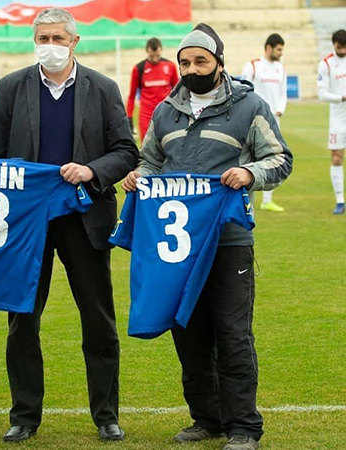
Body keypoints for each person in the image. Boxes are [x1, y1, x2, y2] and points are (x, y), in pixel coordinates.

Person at [122, 23, 292, 450]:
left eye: (201, 60)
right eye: (185, 62)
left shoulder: (250, 106)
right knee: (188, 332)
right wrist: (138, 177)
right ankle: (207, 418)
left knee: (233, 334)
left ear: (219, 61)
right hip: (178, 247)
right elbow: (150, 161)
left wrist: (249, 173)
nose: (192, 68)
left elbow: (280, 159)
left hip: (229, 240)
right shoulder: (166, 111)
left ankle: (244, 426)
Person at [0, 8, 138, 443]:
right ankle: (24, 416)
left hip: (84, 220)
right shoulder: (10, 87)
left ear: (74, 42)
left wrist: (91, 170)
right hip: (26, 224)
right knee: (22, 322)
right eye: (43, 38)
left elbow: (126, 151)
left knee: (98, 320)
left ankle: (106, 414)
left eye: (57, 38)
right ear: (34, 40)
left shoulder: (102, 88)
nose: (49, 45)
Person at [242, 33, 287, 212]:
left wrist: (281, 108)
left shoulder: (281, 68)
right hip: (253, 119)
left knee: (272, 157)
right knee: (249, 157)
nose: (281, 53)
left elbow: (283, 92)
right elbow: (245, 89)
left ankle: (267, 200)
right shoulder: (253, 65)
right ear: (269, 48)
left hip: (274, 119)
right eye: (279, 49)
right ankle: (245, 197)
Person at [126, 37, 179, 142]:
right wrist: (129, 118)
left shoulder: (170, 66)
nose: (155, 59)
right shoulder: (139, 69)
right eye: (151, 56)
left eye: (158, 56)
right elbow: (131, 96)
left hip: (166, 114)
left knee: (168, 145)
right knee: (147, 146)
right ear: (147, 52)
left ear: (161, 50)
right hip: (146, 116)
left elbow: (178, 91)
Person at [318, 29, 346, 214]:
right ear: (334, 44)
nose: (343, 50)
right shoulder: (326, 64)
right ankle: (340, 201)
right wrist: (342, 97)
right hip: (338, 117)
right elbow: (322, 94)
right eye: (340, 46)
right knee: (337, 157)